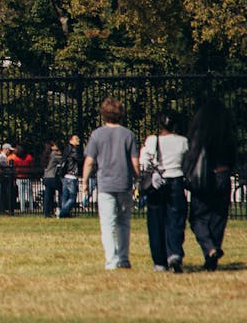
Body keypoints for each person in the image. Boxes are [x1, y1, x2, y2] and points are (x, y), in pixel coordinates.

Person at [82, 97, 140, 271]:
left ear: (103, 114)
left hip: (105, 184)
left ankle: (111, 260)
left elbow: (89, 161)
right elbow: (135, 162)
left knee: (107, 224)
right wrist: (137, 179)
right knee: (124, 222)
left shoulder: (97, 135)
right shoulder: (128, 134)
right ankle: (124, 258)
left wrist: (84, 181)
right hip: (124, 183)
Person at [184, 98, 236, 271]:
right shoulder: (227, 133)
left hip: (205, 176)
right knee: (218, 217)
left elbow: (192, 155)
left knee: (198, 217)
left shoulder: (201, 134)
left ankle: (210, 249)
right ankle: (211, 254)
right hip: (223, 174)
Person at [140, 112, 189, 273]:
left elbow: (144, 162)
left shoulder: (152, 140)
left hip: (158, 182)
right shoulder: (183, 141)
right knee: (176, 218)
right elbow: (187, 162)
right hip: (176, 180)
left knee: (156, 221)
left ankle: (159, 261)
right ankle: (174, 252)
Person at [59, 134, 83, 218]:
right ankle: (62, 212)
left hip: (65, 175)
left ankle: (65, 213)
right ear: (71, 140)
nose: (78, 140)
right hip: (72, 175)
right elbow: (80, 160)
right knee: (72, 197)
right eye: (76, 139)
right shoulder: (74, 150)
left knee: (65, 196)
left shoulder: (66, 149)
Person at [40, 141, 63, 219]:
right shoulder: (54, 154)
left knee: (48, 195)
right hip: (52, 177)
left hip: (46, 177)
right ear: (52, 147)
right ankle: (60, 208)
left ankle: (47, 212)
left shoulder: (46, 155)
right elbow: (62, 161)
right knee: (61, 190)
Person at [12, 145, 36, 213]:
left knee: (21, 194)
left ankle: (22, 208)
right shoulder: (29, 157)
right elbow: (32, 166)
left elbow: (14, 168)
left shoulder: (15, 158)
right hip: (27, 176)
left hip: (19, 177)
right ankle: (31, 207)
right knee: (30, 193)